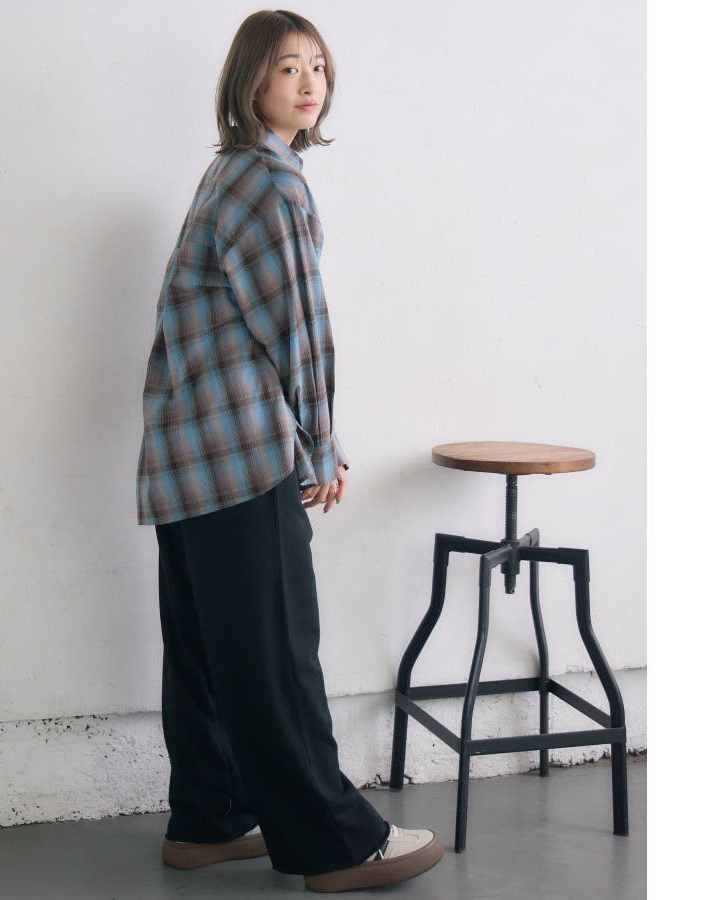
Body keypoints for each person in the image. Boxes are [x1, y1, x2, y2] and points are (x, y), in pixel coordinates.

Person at [135, 9, 443, 893]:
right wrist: (321, 444)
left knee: (205, 652)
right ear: (250, 84)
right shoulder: (272, 183)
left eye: (318, 66)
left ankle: (212, 817)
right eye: (286, 69)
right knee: (275, 656)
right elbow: (297, 329)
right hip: (241, 454)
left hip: (185, 457)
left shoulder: (227, 172)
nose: (309, 84)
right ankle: (337, 843)